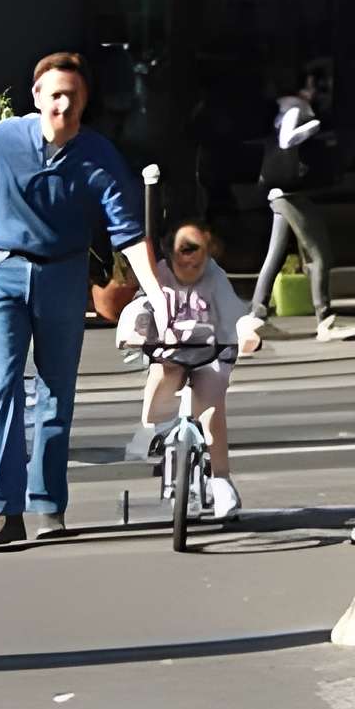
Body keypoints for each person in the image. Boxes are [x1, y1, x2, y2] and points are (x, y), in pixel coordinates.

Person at [0, 53, 169, 546]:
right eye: (54, 93)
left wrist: (158, 296)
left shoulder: (97, 155)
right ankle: (2, 509)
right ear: (37, 98)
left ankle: (48, 505)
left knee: (54, 393)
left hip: (63, 278)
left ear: (83, 103)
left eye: (72, 95)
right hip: (3, 272)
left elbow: (127, 232)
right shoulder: (2, 141)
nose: (62, 103)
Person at [117, 222, 258, 525]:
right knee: (163, 380)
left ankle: (221, 479)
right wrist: (135, 330)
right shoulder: (160, 275)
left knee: (211, 408)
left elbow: (234, 310)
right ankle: (153, 427)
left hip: (210, 351)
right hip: (170, 351)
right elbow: (141, 306)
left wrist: (246, 331)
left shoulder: (215, 276)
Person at [250, 60, 351, 341]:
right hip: (292, 194)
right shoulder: (296, 108)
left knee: (276, 254)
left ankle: (256, 315)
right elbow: (287, 141)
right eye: (311, 82)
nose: (316, 88)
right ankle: (325, 320)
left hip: (280, 193)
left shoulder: (284, 108)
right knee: (319, 254)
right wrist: (315, 127)